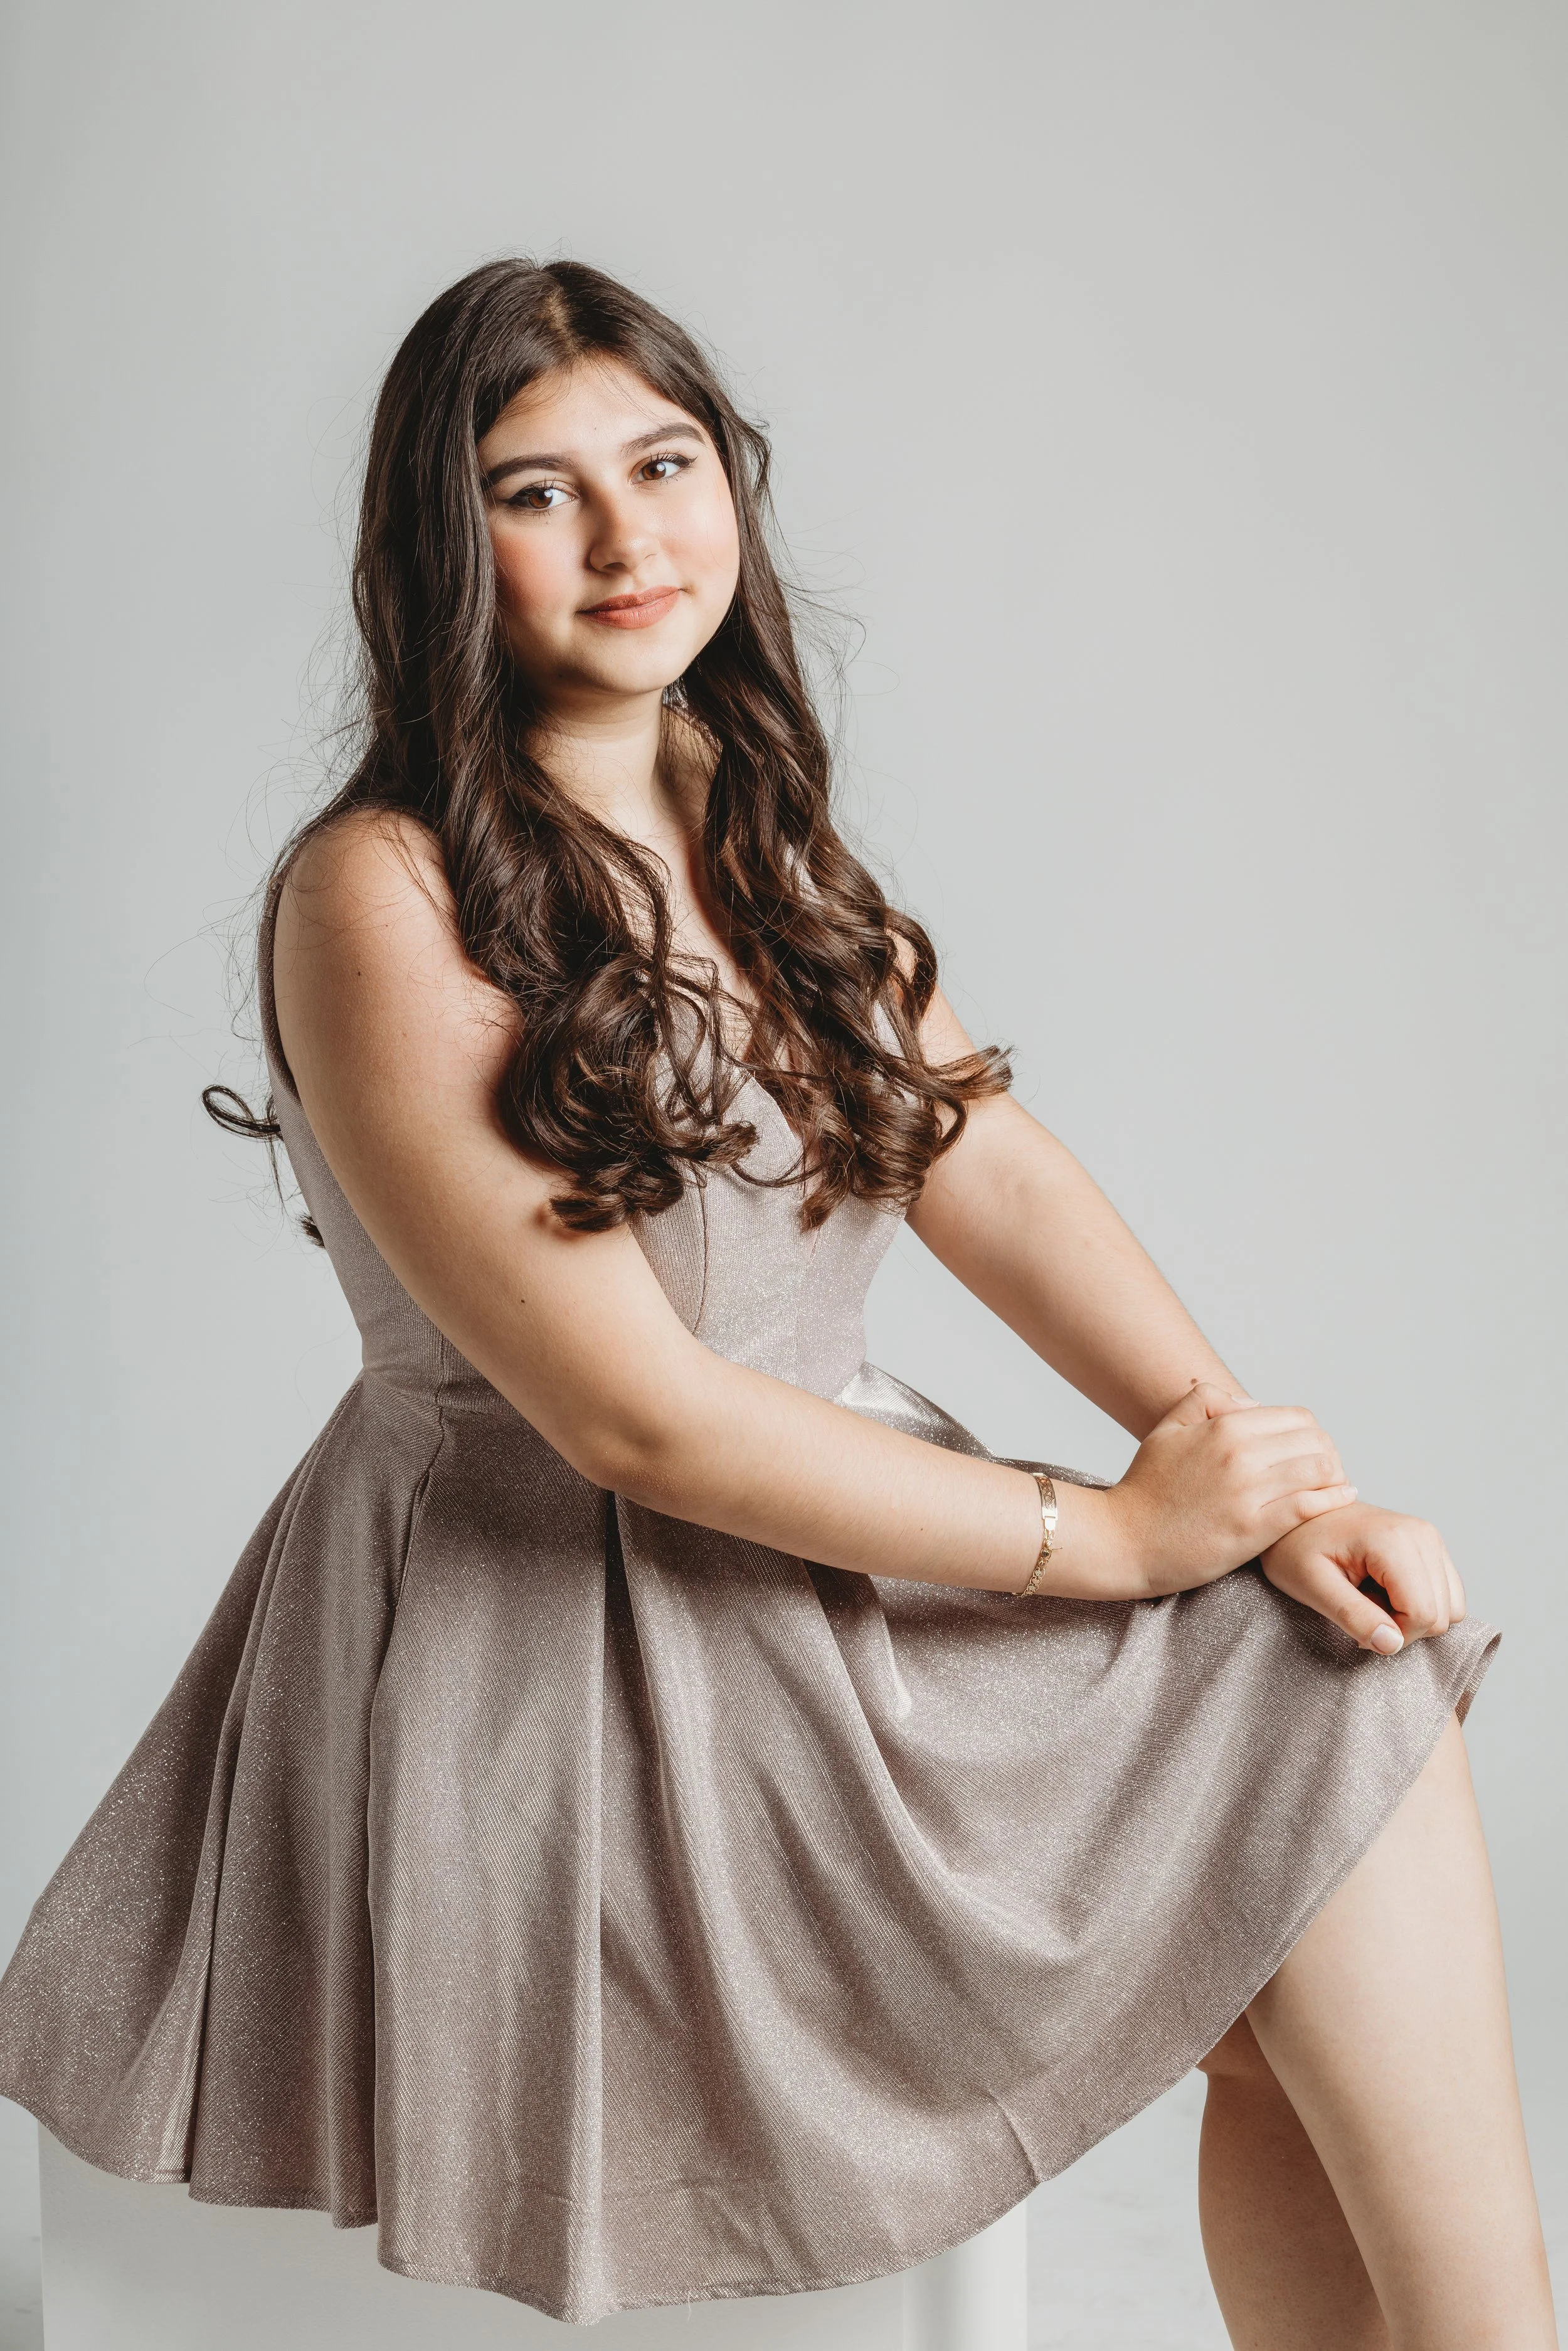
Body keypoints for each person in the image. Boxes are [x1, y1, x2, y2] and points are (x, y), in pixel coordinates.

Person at [0, 257, 1554, 2347]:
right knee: (1323, 1743)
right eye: (539, 491)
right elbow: (637, 1421)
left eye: (662, 462)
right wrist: (1105, 1534)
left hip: (827, 1575)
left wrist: (1250, 1470)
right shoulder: (380, 887)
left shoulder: (746, 824)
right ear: (442, 550)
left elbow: (970, 1148)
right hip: (567, 1644)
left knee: (1333, 1706)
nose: (632, 535)